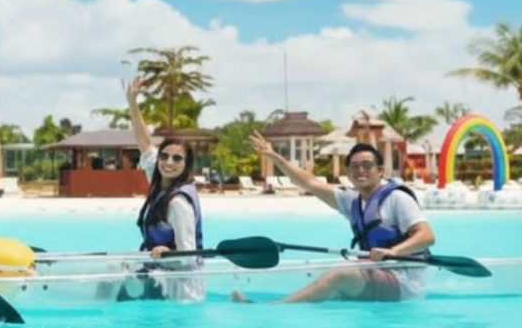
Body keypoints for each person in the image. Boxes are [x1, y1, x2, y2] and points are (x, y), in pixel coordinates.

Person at [234, 132, 436, 303]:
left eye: (367, 165)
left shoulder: (397, 198)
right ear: (348, 172)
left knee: (340, 274)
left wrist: (392, 251)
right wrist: (276, 158)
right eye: (355, 167)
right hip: (376, 272)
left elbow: (426, 236)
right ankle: (275, 304)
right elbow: (309, 183)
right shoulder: (351, 201)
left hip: (405, 283)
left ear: (380, 170)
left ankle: (274, 308)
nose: (361, 170)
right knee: (329, 290)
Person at [121, 76, 204, 302]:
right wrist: (132, 102)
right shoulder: (160, 183)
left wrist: (168, 254)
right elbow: (146, 145)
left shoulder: (178, 203)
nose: (168, 162)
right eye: (164, 156)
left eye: (177, 159)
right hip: (161, 279)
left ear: (186, 165)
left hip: (181, 292)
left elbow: (188, 257)